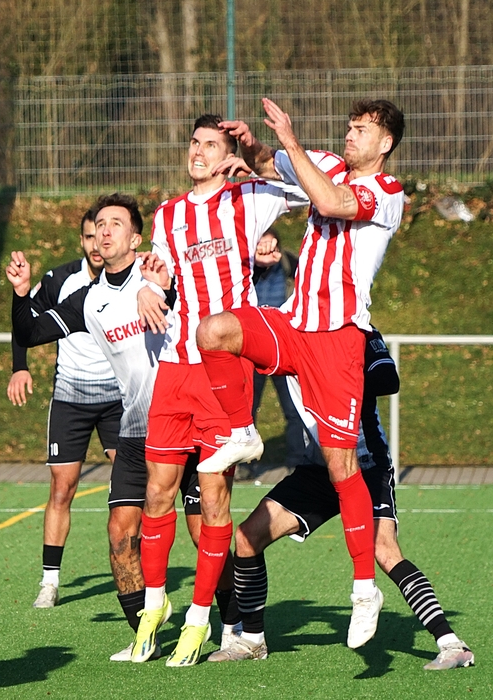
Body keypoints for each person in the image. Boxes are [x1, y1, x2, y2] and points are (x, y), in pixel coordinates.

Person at [195, 98, 406, 649]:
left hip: (338, 340)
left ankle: (364, 590)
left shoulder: (387, 192)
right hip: (294, 323)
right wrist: (253, 147)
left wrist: (290, 140)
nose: (350, 135)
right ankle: (243, 431)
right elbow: (271, 165)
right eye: (349, 127)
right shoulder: (327, 164)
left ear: (385, 143)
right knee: (214, 331)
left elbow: (333, 202)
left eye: (362, 130)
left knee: (340, 464)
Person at [134, 114, 307, 666]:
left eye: (210, 144)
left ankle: (199, 618)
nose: (199, 151)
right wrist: (146, 288)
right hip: (173, 367)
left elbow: (311, 191)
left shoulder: (248, 198)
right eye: (195, 142)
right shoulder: (168, 214)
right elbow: (159, 274)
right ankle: (154, 609)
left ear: (225, 153)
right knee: (157, 493)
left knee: (213, 499)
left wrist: (256, 158)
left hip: (220, 371)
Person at [10, 193, 208, 662]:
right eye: (99, 223)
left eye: (116, 223)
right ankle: (144, 633)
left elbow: (197, 302)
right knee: (120, 534)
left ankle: (239, 627)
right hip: (136, 429)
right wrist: (21, 294)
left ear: (136, 239)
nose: (104, 230)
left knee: (203, 531)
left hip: (186, 421)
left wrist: (161, 289)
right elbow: (30, 334)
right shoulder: (89, 298)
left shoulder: (160, 274)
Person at [212, 329, 475, 670]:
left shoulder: (356, 329)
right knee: (248, 537)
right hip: (318, 469)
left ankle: (451, 644)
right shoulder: (284, 330)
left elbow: (388, 379)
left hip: (365, 465)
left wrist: (330, 370)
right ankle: (252, 640)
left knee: (385, 550)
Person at [7, 208, 123, 608]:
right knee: (62, 487)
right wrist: (19, 367)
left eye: (103, 234)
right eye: (90, 236)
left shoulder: (130, 282)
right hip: (71, 398)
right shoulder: (60, 280)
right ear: (82, 241)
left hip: (118, 399)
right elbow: (25, 322)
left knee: (131, 484)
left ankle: (134, 568)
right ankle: (50, 581)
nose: (97, 243)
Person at [249, 229, 308, 469]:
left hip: (284, 345)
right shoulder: (246, 268)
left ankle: (297, 463)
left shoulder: (290, 264)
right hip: (252, 347)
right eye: (260, 245)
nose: (266, 250)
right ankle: (245, 464)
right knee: (247, 410)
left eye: (270, 245)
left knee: (294, 408)